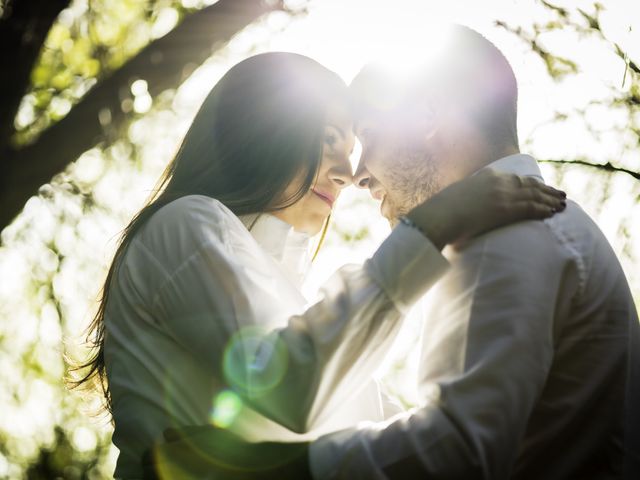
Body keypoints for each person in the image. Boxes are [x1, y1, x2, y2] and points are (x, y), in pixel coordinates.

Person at [145, 27, 639, 480]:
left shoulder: (507, 232)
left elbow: (458, 453)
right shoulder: (528, 226)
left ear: (425, 116)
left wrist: (268, 469)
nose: (357, 174)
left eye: (369, 136)